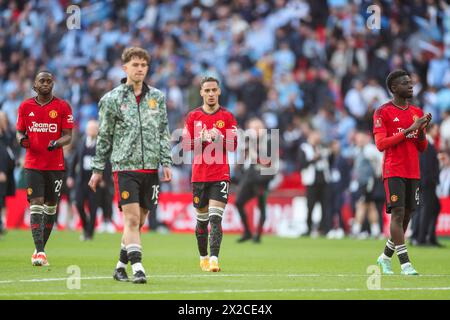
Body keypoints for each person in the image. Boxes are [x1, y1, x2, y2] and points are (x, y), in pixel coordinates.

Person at [89, 47, 172, 284]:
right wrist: (97, 170)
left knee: (140, 220)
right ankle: (138, 268)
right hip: (124, 167)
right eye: (135, 65)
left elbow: (163, 132)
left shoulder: (158, 97)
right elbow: (104, 137)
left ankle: (119, 267)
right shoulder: (111, 99)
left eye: (144, 65)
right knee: (132, 220)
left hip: (151, 168)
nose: (140, 69)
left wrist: (166, 161)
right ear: (124, 67)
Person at [373, 69, 431, 275]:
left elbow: (422, 147)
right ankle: (405, 264)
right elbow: (381, 144)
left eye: (411, 82)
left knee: (406, 216)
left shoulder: (416, 111)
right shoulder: (382, 112)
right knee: (397, 214)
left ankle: (384, 257)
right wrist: (408, 130)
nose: (411, 85)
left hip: (412, 170)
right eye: (406, 83)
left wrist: (422, 129)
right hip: (393, 169)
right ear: (394, 88)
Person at [16, 71, 74, 266]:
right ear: (35, 85)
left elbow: (68, 135)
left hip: (55, 165)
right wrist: (21, 139)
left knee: (50, 207)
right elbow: (19, 131)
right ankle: (40, 252)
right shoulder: (25, 106)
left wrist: (56, 143)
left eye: (49, 81)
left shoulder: (63, 106)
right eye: (42, 80)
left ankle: (40, 249)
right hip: (33, 164)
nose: (46, 84)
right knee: (36, 203)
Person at [182, 76, 237, 272]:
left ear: (219, 91)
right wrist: (201, 138)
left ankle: (214, 259)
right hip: (199, 176)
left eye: (214, 90)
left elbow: (233, 145)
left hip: (220, 174)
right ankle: (203, 257)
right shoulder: (193, 117)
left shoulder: (228, 117)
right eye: (207, 91)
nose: (211, 94)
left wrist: (220, 137)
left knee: (215, 218)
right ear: (201, 93)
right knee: (202, 221)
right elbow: (185, 146)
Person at [68, 120, 113, 240]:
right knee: (78, 203)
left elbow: (107, 163)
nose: (91, 130)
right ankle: (86, 225)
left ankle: (89, 233)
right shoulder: (81, 142)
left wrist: (105, 179)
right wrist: (71, 176)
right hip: (82, 180)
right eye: (90, 128)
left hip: (96, 181)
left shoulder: (102, 144)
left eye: (94, 128)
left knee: (93, 208)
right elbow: (74, 160)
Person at [235, 117, 275, 243]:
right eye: (252, 128)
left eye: (257, 128)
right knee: (239, 202)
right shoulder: (249, 141)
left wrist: (254, 155)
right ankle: (248, 232)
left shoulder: (269, 141)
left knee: (261, 206)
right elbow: (243, 159)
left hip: (262, 176)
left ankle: (258, 234)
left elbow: (269, 162)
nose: (254, 131)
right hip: (250, 175)